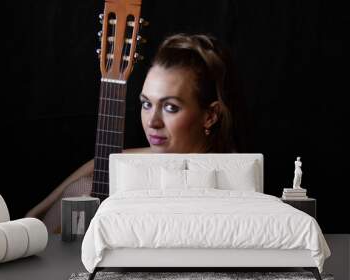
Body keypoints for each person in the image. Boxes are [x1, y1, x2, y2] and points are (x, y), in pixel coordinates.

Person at [26, 33, 239, 232]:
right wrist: (35, 214)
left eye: (170, 107)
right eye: (146, 104)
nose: (152, 122)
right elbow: (102, 162)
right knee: (81, 189)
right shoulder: (151, 157)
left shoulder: (226, 183)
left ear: (210, 116)